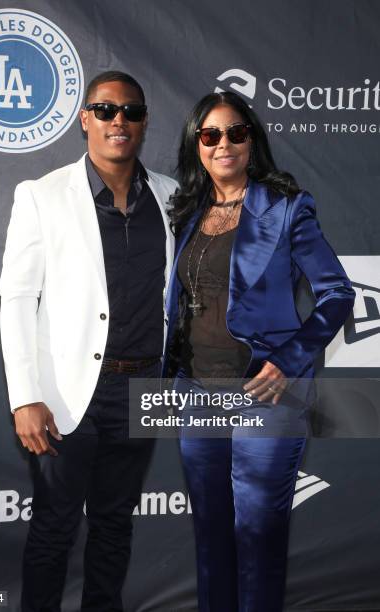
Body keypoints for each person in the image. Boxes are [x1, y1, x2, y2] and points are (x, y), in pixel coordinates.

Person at [165, 91, 355, 612]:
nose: (222, 143)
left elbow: (337, 292)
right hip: (197, 393)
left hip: (263, 396)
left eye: (235, 132)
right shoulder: (187, 211)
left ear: (252, 141)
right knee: (211, 538)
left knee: (257, 538)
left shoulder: (288, 207)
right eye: (210, 135)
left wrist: (290, 361)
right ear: (197, 146)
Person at [0, 70, 177, 612]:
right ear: (85, 120)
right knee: (53, 527)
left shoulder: (171, 196)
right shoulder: (41, 195)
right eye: (105, 110)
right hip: (68, 394)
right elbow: (17, 298)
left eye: (130, 111)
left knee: (114, 524)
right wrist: (25, 396)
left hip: (143, 387)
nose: (117, 121)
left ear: (144, 122)